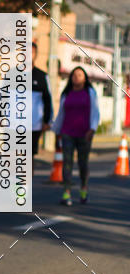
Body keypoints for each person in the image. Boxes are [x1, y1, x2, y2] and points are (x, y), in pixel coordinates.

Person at [52, 66, 100, 205]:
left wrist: (92, 129)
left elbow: (96, 112)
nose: (76, 77)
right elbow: (61, 113)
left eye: (79, 75)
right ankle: (66, 193)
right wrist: (57, 132)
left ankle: (83, 189)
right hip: (67, 132)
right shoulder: (66, 93)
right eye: (74, 75)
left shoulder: (90, 92)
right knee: (67, 163)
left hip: (84, 134)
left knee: (82, 163)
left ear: (85, 78)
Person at [31, 41, 52, 157]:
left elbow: (48, 100)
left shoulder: (42, 76)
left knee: (29, 156)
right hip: (14, 123)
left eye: (32, 52)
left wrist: (47, 121)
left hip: (34, 124)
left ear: (36, 55)